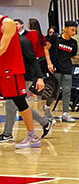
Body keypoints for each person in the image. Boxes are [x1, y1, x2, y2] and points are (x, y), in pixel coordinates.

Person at [0, 15, 45, 148]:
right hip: (2, 68)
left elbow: (3, 48)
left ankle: (33, 136)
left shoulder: (7, 23)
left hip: (11, 70)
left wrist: (40, 77)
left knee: (19, 102)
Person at [45, 21, 79, 123]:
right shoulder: (55, 38)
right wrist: (49, 63)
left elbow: (72, 55)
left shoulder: (74, 42)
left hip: (67, 68)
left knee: (67, 91)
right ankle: (47, 108)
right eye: (72, 30)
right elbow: (46, 49)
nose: (74, 32)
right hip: (56, 67)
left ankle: (65, 113)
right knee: (54, 92)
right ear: (65, 29)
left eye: (75, 31)